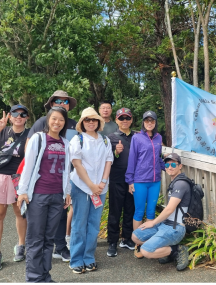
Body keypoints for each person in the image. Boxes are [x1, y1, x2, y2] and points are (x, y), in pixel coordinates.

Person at [15, 107, 71, 283]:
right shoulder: (39, 138)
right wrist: (22, 191)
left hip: (57, 195)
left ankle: (45, 275)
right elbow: (28, 166)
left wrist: (67, 192)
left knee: (49, 239)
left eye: (61, 120)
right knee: (35, 238)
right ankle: (33, 278)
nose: (57, 123)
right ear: (48, 120)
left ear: (64, 123)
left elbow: (67, 171)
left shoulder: (65, 143)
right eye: (54, 119)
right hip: (38, 194)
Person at [30, 91, 78, 264]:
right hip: (42, 181)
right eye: (58, 100)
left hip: (66, 176)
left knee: (60, 216)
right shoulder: (42, 123)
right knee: (38, 224)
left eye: (65, 101)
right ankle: (36, 263)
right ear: (50, 104)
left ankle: (61, 247)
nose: (62, 103)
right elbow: (30, 149)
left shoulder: (73, 124)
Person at [68, 107, 113, 274]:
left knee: (94, 224)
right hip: (80, 187)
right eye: (87, 120)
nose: (91, 122)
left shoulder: (105, 140)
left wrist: (101, 183)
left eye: (94, 119)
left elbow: (108, 161)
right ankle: (76, 259)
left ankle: (89, 257)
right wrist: (91, 185)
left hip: (100, 188)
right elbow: (77, 164)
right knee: (79, 223)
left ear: (99, 122)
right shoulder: (77, 140)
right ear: (82, 123)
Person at [131, 152, 191, 270]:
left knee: (146, 251)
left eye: (173, 165)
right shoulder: (174, 181)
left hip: (175, 227)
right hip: (164, 224)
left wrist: (152, 222)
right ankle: (166, 249)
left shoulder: (181, 184)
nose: (170, 167)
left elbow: (169, 209)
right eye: (167, 165)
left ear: (180, 166)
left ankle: (177, 250)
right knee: (135, 236)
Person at [0, 105, 30, 271]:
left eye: (22, 114)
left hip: (17, 178)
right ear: (10, 116)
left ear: (27, 118)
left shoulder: (30, 135)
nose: (19, 117)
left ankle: (21, 245)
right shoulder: (3, 131)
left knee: (20, 213)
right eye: (15, 114)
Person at [126, 110, 163, 254]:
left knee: (151, 212)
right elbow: (132, 159)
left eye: (152, 121)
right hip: (140, 180)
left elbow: (158, 158)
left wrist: (168, 166)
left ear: (155, 123)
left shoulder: (159, 137)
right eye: (147, 121)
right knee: (139, 212)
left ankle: (149, 241)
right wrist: (130, 181)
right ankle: (138, 243)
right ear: (143, 122)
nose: (149, 123)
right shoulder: (137, 138)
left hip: (155, 181)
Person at [106, 108, 137, 257]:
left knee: (130, 210)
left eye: (127, 118)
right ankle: (112, 241)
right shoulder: (110, 138)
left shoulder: (137, 137)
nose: (124, 120)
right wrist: (115, 152)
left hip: (133, 180)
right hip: (117, 179)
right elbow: (105, 159)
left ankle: (126, 238)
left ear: (131, 120)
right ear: (117, 120)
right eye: (121, 118)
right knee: (115, 211)